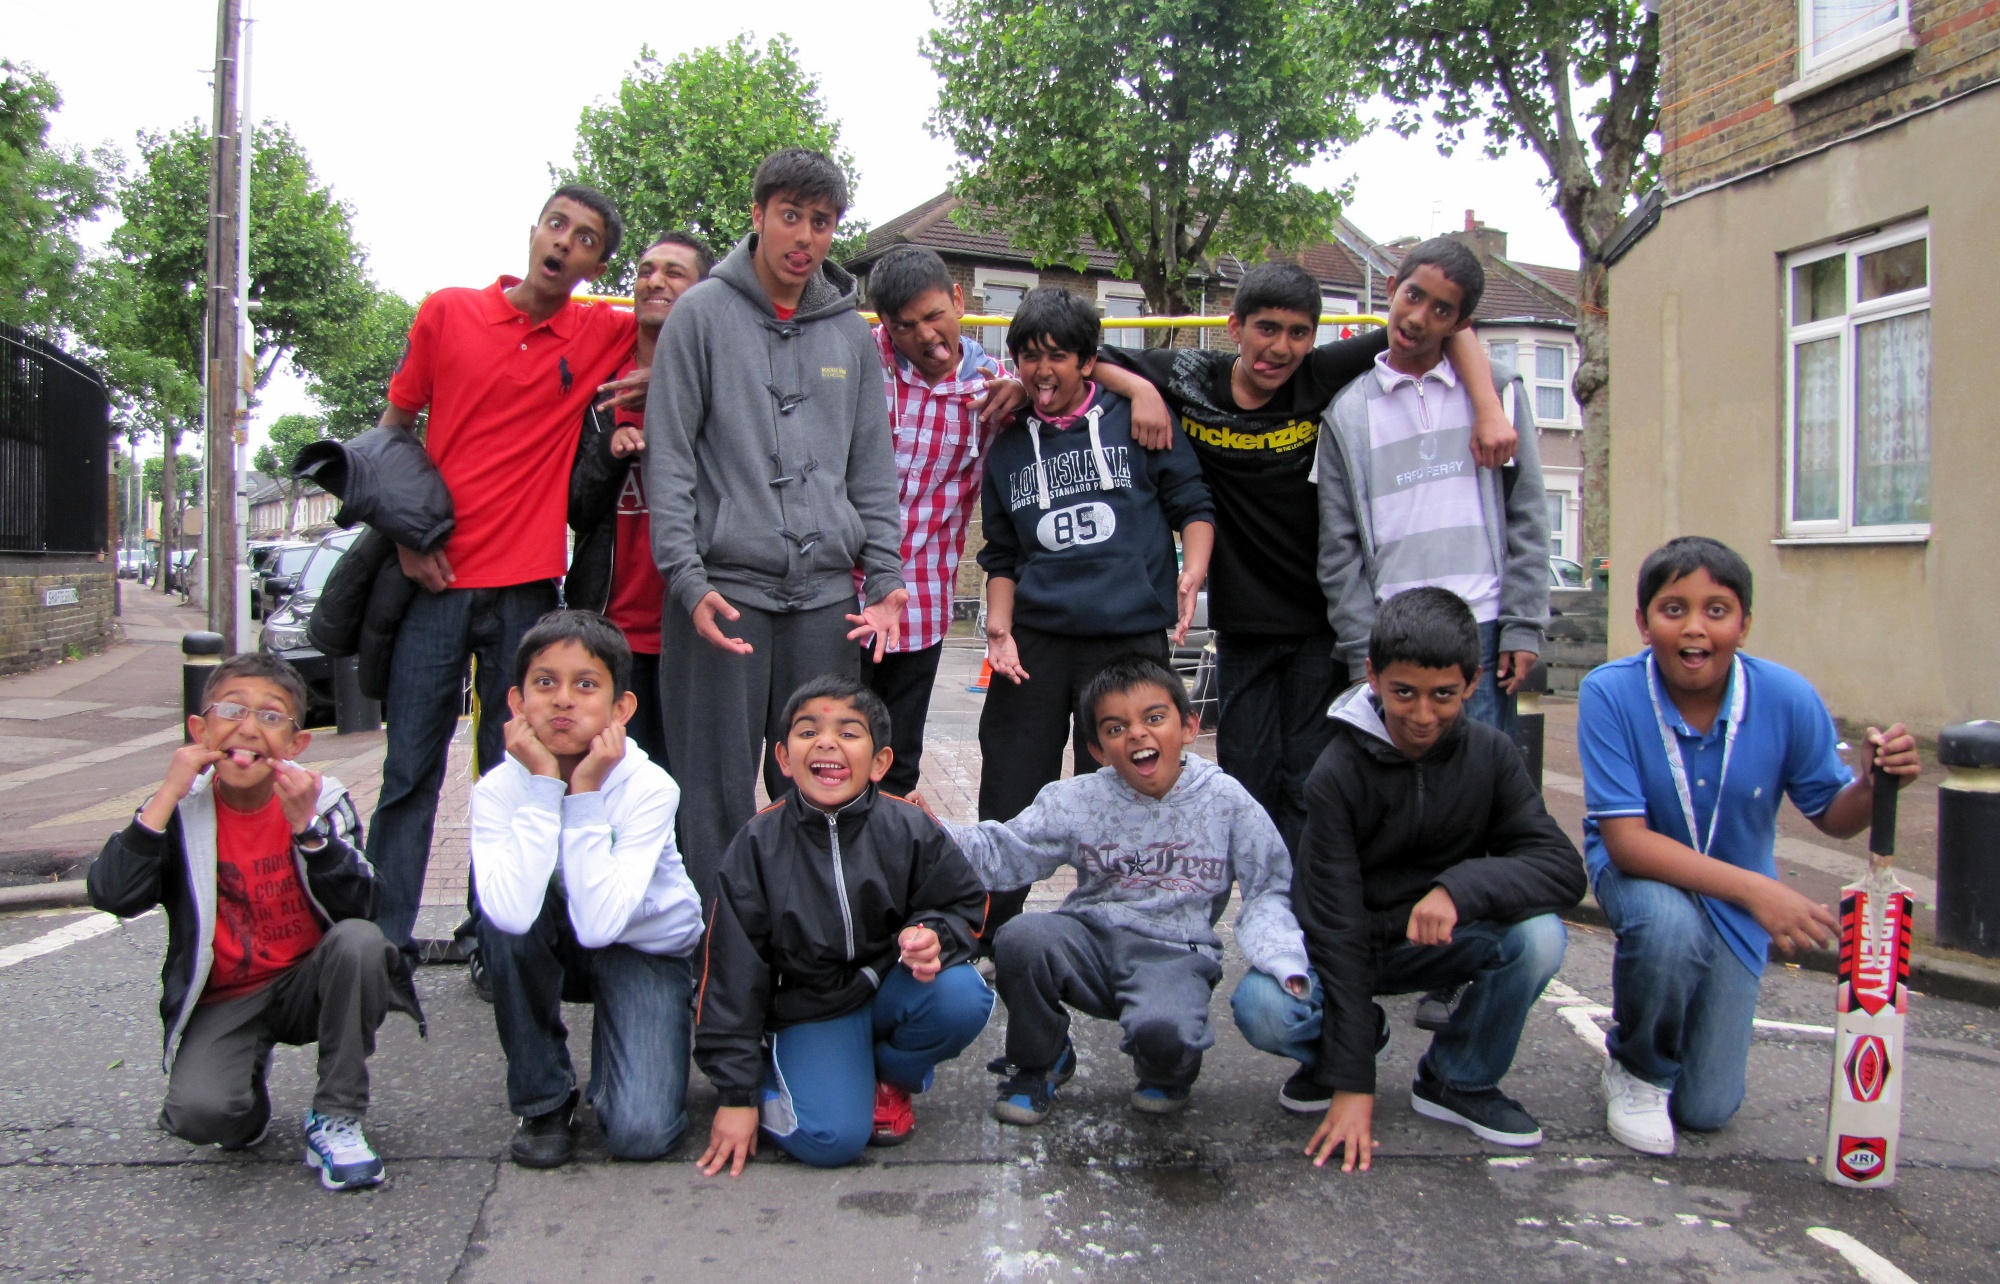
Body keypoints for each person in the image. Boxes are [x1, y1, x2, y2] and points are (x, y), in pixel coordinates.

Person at [1093, 260, 1514, 859]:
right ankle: (1265, 910)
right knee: (1248, 776)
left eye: (1298, 333)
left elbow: (1449, 328)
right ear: (1234, 326)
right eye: (1266, 329)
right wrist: (1140, 391)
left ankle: (1306, 915)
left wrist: (1490, 408)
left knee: (1310, 778)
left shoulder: (1323, 375)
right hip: (1244, 624)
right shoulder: (1187, 376)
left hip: (1320, 624)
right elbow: (1084, 351)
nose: (1280, 348)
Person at [1579, 536, 1920, 1157]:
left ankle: (1671, 1034)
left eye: (1717, 609)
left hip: (1736, 901)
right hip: (1645, 877)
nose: (1694, 628)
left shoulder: (1787, 697)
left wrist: (1873, 783)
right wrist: (1761, 890)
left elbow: (1834, 817)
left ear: (1745, 624)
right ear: (1642, 621)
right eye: (1672, 608)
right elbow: (1626, 844)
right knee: (1668, 926)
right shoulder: (1610, 693)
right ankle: (1636, 1066)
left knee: (1708, 1109)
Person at [369, 185, 638, 966]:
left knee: (521, 771)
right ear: (533, 231)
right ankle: (384, 945)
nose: (565, 243)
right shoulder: (447, 312)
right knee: (409, 768)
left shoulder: (597, 333)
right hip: (436, 583)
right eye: (558, 225)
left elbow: (692, 319)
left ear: (597, 265)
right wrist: (403, 538)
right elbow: (389, 434)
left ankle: (500, 939)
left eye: (586, 238)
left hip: (527, 590)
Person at [643, 149, 908, 906]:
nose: (805, 236)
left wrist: (884, 578)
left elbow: (872, 470)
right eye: (789, 215)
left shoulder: (850, 336)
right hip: (723, 594)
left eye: (821, 222)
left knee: (823, 776)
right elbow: (669, 464)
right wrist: (686, 579)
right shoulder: (700, 316)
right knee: (715, 788)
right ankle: (719, 956)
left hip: (826, 597)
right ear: (757, 215)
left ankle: (810, 936)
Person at [1241, 588, 1584, 1172]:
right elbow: (1336, 928)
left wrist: (1459, 889)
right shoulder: (1337, 771)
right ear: (1372, 676)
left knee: (1541, 937)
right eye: (1404, 693)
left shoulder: (1493, 755)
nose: (1422, 715)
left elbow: (1561, 868)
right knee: (1264, 1006)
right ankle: (1344, 1048)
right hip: (1349, 947)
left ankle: (1457, 1079)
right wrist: (1355, 1082)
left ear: (1471, 683)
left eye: (1443, 695)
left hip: (1438, 941)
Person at [87, 654, 421, 1191]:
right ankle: (245, 1094)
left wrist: (308, 831)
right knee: (204, 1116)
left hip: (309, 982)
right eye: (231, 710)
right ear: (200, 729)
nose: (248, 728)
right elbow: (112, 894)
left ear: (296, 743)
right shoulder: (178, 810)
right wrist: (168, 792)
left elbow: (364, 908)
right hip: (229, 996)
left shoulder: (320, 799)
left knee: (360, 944)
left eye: (272, 717)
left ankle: (337, 1116)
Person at [932, 654, 1307, 1123]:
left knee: (1164, 1033)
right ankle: (1041, 1059)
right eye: (1115, 728)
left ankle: (1167, 1068)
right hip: (1091, 942)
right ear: (1097, 749)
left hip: (1175, 953)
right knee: (1020, 938)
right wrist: (930, 830)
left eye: (1154, 718)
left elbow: (1269, 886)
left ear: (1189, 726)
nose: (1137, 734)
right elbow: (1005, 851)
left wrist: (1282, 958)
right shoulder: (1079, 799)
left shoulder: (1227, 800)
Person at [976, 287, 1215, 939]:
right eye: (1027, 356)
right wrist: (999, 630)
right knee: (1010, 778)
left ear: (1089, 360)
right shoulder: (1005, 443)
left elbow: (1192, 503)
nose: (1041, 370)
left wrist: (1191, 572)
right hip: (1037, 641)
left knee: (1124, 782)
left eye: (1057, 355)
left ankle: (1122, 919)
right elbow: (1000, 553)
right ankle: (991, 927)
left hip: (1128, 638)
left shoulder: (1138, 414)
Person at [693, 676, 993, 1174]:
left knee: (965, 995)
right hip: (811, 1010)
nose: (827, 742)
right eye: (808, 731)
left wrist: (932, 935)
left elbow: (963, 903)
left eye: (849, 732)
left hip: (886, 990)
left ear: (879, 763)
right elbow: (730, 973)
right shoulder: (757, 844)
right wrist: (736, 1094)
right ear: (784, 759)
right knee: (830, 1139)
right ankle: (779, 1075)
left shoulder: (908, 826)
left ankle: (885, 1075)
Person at [471, 611, 702, 1170]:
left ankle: (622, 1055)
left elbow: (603, 923)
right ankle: (543, 1100)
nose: (563, 700)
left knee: (640, 1133)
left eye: (586, 685)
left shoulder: (649, 787)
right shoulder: (498, 789)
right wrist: (546, 785)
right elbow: (508, 914)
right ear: (517, 702)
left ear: (621, 708)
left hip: (641, 945)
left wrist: (586, 793)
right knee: (504, 912)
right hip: (557, 936)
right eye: (544, 683)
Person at [1315, 237, 1550, 741]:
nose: (1419, 317)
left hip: (1483, 630)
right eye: (1413, 296)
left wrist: (1523, 622)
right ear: (1393, 288)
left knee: (1479, 795)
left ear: (1461, 324)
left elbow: (1528, 515)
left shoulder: (1500, 393)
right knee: (1395, 801)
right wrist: (1363, 649)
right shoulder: (1346, 415)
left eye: (1442, 309)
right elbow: (1339, 551)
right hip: (1393, 636)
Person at [858, 244, 1025, 795]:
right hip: (839, 597)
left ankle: (887, 874)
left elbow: (1073, 382)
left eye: (935, 316)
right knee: (826, 748)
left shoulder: (995, 388)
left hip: (921, 602)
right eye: (906, 326)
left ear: (958, 299)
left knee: (897, 756)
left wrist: (1025, 393)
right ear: (885, 325)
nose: (927, 336)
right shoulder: (859, 359)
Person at [566, 231, 717, 763]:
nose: (656, 280)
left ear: (703, 292)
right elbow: (577, 511)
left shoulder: (721, 388)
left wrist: (677, 398)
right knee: (605, 786)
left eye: (675, 272)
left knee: (688, 790)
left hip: (696, 628)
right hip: (612, 632)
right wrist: (609, 453)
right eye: (647, 270)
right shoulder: (599, 392)